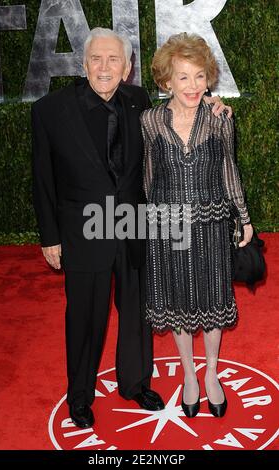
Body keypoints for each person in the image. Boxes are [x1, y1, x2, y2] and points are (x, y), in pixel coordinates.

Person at [31, 27, 232, 428]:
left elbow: (183, 102)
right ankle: (81, 396)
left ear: (127, 69)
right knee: (85, 317)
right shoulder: (50, 110)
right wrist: (50, 236)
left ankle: (136, 383)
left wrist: (213, 103)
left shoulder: (138, 102)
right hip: (84, 229)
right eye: (96, 59)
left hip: (136, 224)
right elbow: (42, 179)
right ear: (82, 63)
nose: (104, 67)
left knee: (137, 312)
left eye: (113, 60)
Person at [141, 33, 253, 418]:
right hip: (168, 225)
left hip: (212, 222)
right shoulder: (151, 120)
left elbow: (229, 169)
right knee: (178, 302)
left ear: (209, 79)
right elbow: (148, 177)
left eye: (200, 76)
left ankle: (211, 375)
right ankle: (189, 375)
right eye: (183, 77)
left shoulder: (220, 117)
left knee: (212, 300)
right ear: (166, 81)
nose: (193, 86)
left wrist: (244, 217)